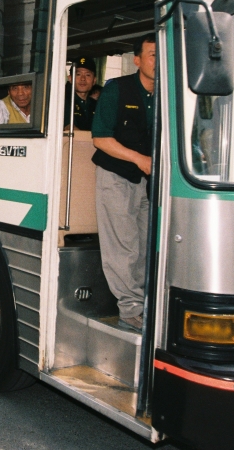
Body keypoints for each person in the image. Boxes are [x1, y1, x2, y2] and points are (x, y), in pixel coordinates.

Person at [91, 34, 156, 333]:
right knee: (125, 245)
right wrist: (138, 159)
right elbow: (101, 139)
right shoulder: (118, 89)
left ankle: (143, 305)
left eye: (161, 57)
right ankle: (130, 311)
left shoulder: (165, 95)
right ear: (138, 60)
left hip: (148, 182)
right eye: (152, 55)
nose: (157, 62)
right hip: (117, 176)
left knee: (145, 245)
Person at [64, 57, 99, 131]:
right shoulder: (63, 101)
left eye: (88, 75)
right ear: (70, 78)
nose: (83, 79)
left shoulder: (97, 105)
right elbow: (69, 128)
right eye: (78, 74)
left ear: (94, 80)